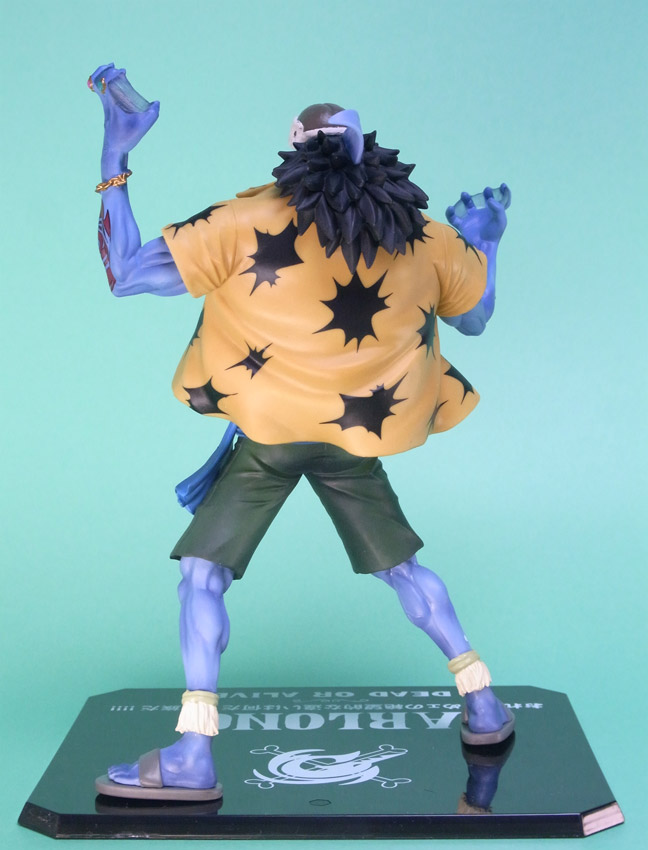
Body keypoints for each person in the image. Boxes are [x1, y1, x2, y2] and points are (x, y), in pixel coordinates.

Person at [89, 64, 514, 800]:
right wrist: (484, 243)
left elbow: (125, 272)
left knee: (202, 576)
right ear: (364, 146)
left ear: (294, 142)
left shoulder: (242, 221)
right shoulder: (426, 237)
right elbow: (474, 318)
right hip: (355, 440)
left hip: (270, 440)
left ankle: (193, 753)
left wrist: (114, 155)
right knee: (403, 568)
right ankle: (483, 704)